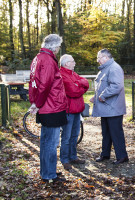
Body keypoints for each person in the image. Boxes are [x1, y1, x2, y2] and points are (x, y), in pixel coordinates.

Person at [28, 34, 67, 183]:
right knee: (51, 143)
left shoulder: (38, 58)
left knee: (45, 142)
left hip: (46, 106)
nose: (58, 49)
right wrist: (37, 103)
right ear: (54, 47)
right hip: (52, 106)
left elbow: (33, 83)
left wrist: (34, 102)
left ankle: (47, 171)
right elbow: (44, 85)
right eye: (58, 46)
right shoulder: (48, 60)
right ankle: (49, 174)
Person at [91, 49, 128, 165]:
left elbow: (117, 86)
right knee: (106, 132)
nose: (98, 61)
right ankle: (105, 154)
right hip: (106, 108)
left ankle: (122, 156)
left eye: (99, 58)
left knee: (116, 133)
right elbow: (102, 86)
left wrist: (103, 96)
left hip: (113, 108)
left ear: (105, 57)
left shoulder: (114, 68)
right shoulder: (105, 69)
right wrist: (95, 96)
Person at [59, 54, 89, 170]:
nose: (74, 63)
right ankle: (65, 159)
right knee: (66, 136)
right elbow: (73, 91)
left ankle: (73, 156)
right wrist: (79, 86)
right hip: (68, 110)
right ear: (66, 63)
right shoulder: (62, 75)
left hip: (77, 109)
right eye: (73, 61)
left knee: (75, 135)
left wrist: (79, 84)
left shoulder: (73, 74)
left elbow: (85, 83)